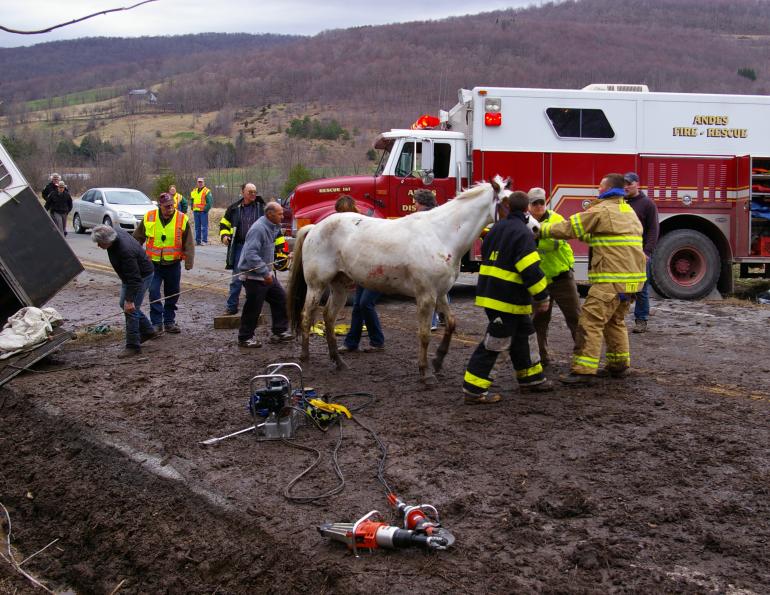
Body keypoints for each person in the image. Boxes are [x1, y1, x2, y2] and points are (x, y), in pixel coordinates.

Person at [538, 173, 647, 384]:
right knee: (614, 321)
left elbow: (569, 227)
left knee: (589, 321)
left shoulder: (602, 209)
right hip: (632, 281)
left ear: (607, 190)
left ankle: (583, 371)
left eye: (600, 187)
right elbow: (600, 234)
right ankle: (619, 365)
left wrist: (540, 230)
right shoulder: (627, 211)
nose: (597, 190)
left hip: (612, 280)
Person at [462, 190, 552, 405]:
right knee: (496, 343)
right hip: (506, 299)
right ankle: (474, 390)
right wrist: (543, 296)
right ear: (527, 209)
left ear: (508, 207)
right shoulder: (523, 233)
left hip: (495, 295)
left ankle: (531, 378)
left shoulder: (495, 229)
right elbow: (529, 269)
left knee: (524, 335)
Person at [527, 187, 581, 366]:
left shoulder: (556, 219)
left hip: (562, 277)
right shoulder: (525, 222)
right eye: (535, 203)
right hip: (539, 281)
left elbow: (553, 243)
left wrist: (535, 236)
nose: (539, 206)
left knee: (575, 318)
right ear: (528, 205)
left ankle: (584, 359)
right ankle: (541, 358)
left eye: (541, 202)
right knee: (539, 323)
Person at [92, 224, 158, 357]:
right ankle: (148, 330)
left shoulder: (125, 251)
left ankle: (133, 346)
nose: (98, 246)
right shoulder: (113, 231)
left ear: (108, 241)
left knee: (130, 308)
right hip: (130, 276)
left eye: (100, 243)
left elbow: (135, 279)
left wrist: (130, 300)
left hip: (141, 276)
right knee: (125, 305)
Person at [133, 193, 194, 334]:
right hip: (152, 264)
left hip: (173, 264)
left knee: (172, 294)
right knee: (154, 292)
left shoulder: (182, 218)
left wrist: (189, 261)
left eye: (172, 205)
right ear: (160, 206)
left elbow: (189, 242)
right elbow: (137, 237)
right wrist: (134, 257)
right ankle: (156, 323)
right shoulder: (149, 217)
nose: (170, 209)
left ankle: (169, 321)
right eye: (167, 207)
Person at [236, 201, 293, 347]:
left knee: (281, 298)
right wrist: (264, 272)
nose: (282, 216)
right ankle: (245, 338)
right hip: (253, 276)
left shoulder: (273, 227)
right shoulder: (259, 229)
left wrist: (286, 255)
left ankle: (279, 331)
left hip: (265, 274)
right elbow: (251, 253)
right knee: (253, 307)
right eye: (280, 214)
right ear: (270, 214)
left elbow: (269, 249)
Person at [336, 195, 385, 353]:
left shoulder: (366, 224)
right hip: (364, 271)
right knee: (358, 306)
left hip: (377, 269)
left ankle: (377, 341)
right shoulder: (352, 227)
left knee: (365, 304)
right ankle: (352, 342)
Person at [220, 183, 265, 315]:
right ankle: (232, 307)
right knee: (237, 278)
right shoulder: (233, 209)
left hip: (257, 248)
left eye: (255, 192)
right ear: (242, 192)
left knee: (256, 278)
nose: (253, 194)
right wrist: (224, 235)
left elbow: (272, 227)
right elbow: (224, 224)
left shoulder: (262, 208)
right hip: (239, 246)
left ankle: (254, 308)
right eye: (250, 191)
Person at [623, 172, 659, 334]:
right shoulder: (620, 203)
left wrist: (647, 252)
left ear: (637, 183)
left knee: (641, 288)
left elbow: (653, 230)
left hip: (639, 254)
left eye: (629, 183)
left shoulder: (647, 204)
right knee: (620, 286)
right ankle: (618, 318)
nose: (626, 186)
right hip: (622, 254)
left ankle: (641, 320)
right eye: (623, 183)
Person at [412, 189, 446, 331]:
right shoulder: (440, 215)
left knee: (427, 291)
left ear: (421, 203)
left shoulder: (420, 217)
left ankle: (432, 321)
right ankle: (442, 314)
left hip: (426, 258)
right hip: (441, 257)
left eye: (415, 202)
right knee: (442, 290)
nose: (414, 205)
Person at [190, 177, 213, 245]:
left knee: (204, 227)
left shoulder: (207, 191)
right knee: (197, 227)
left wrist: (205, 210)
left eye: (201, 182)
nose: (200, 183)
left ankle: (204, 241)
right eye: (199, 182)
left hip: (203, 212)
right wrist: (192, 207)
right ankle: (198, 241)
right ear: (197, 183)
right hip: (195, 211)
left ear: (203, 183)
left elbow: (210, 202)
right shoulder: (194, 191)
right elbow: (192, 200)